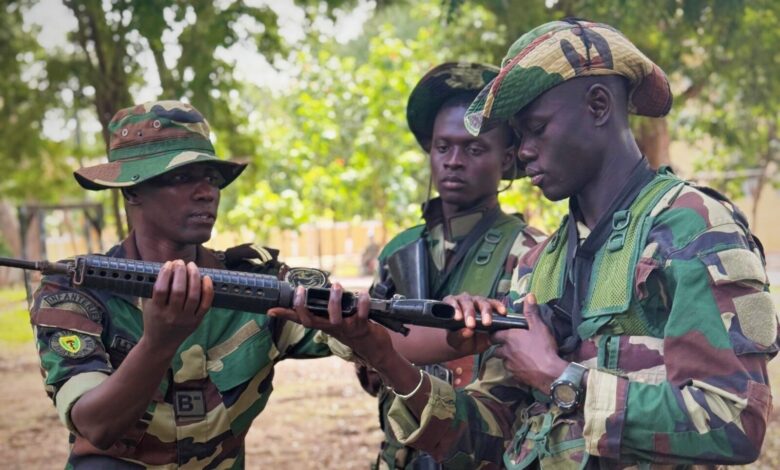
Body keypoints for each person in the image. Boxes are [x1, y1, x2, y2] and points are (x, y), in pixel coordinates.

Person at [270, 20, 779, 468]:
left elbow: (736, 422)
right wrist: (382, 354)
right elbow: (488, 432)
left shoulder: (691, 226)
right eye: (515, 136)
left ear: (598, 105)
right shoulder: (541, 264)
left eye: (534, 129)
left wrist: (560, 377)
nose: (523, 152)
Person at [29, 101, 339, 468]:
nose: (206, 192)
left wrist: (365, 335)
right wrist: (158, 344)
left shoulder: (258, 284)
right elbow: (95, 424)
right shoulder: (75, 293)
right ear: (132, 192)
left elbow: (387, 334)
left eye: (211, 178)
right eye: (181, 177)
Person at [355, 62, 545, 470]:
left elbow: (521, 385)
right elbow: (369, 372)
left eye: (474, 148)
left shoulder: (529, 252)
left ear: (507, 158)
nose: (454, 161)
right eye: (443, 147)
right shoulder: (400, 251)